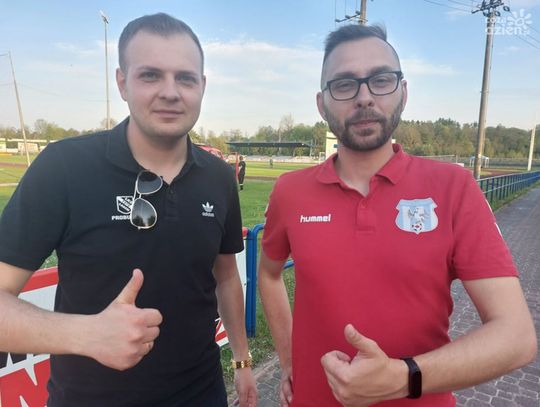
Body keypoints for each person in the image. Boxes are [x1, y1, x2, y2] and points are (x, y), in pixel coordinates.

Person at [258, 24, 536, 407]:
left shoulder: (454, 188)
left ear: (403, 92)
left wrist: (403, 378)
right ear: (321, 104)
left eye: (381, 80)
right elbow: (269, 274)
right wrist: (289, 357)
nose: (364, 97)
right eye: (344, 85)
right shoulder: (290, 191)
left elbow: (516, 337)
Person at [0, 13, 257, 407]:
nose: (170, 92)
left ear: (202, 87)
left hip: (202, 393)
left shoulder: (219, 176)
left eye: (185, 78)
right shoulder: (64, 167)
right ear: (122, 83)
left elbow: (225, 278)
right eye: (150, 75)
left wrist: (241, 360)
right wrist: (85, 334)